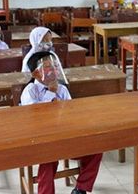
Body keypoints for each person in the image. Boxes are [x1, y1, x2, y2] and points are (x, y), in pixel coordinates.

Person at [21, 51, 102, 194]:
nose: (53, 70)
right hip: (42, 141)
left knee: (96, 149)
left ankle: (81, 188)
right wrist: (51, 93)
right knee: (48, 160)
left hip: (65, 136)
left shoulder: (62, 89)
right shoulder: (30, 91)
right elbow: (33, 118)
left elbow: (71, 114)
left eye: (54, 66)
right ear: (35, 74)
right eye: (47, 67)